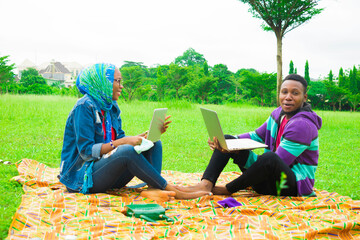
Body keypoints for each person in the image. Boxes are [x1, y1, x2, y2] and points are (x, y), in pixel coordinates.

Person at [59, 63, 210, 201]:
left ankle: (154, 188)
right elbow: (86, 152)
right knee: (126, 151)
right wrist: (124, 142)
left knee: (154, 143)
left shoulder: (110, 106)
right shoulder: (84, 107)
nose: (121, 86)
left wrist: (143, 137)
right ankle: (171, 189)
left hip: (106, 173)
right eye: (117, 81)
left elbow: (118, 140)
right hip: (83, 178)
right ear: (103, 83)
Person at [180, 74, 322, 197]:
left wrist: (236, 183)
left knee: (270, 158)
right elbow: (255, 136)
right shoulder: (278, 114)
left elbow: (277, 162)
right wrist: (225, 143)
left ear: (304, 97)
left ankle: (228, 189)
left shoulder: (303, 125)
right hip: (266, 180)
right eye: (284, 92)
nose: (288, 97)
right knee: (229, 140)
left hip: (290, 186)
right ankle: (206, 184)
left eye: (295, 93)